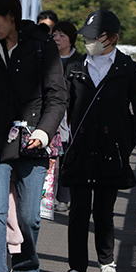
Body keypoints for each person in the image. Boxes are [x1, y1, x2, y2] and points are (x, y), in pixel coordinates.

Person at [0, 0, 67, 272]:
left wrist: (45, 131)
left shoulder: (41, 46)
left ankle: (26, 266)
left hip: (32, 142)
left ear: (11, 14)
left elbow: (57, 96)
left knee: (29, 215)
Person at [59, 10, 136, 272]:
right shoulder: (76, 67)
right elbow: (61, 102)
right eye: (86, 36)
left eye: (95, 36)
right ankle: (76, 270)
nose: (88, 41)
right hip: (80, 148)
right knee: (79, 211)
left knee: (104, 211)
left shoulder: (127, 68)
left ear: (112, 38)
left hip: (111, 149)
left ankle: (107, 265)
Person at [50, 20, 83, 212]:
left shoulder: (79, 61)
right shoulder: (46, 57)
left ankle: (63, 198)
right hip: (49, 111)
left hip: (70, 115)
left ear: (71, 40)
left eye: (62, 35)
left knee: (68, 156)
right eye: (54, 35)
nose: (57, 39)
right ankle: (45, 195)